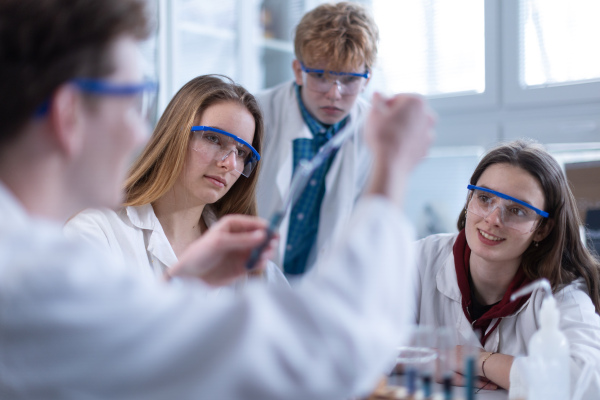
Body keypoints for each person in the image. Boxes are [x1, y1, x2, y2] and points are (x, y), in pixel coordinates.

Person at [0, 0, 435, 399]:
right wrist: (392, 163)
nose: (138, 132)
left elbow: (121, 354)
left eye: (242, 153)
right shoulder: (46, 269)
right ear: (68, 113)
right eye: (131, 102)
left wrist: (181, 283)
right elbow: (324, 351)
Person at [414, 140, 600, 399]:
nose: (493, 219)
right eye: (484, 198)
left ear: (542, 229)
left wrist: (480, 360)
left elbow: (589, 381)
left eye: (516, 210)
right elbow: (349, 339)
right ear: (470, 199)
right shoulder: (419, 259)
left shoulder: (562, 292)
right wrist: (423, 361)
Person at [64, 75, 287, 289]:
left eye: (241, 152)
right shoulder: (98, 231)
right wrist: (183, 279)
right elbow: (97, 326)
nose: (229, 163)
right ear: (174, 136)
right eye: (213, 138)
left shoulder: (245, 257)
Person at [256, 2, 378, 276]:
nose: (335, 94)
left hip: (320, 286)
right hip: (249, 278)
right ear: (299, 71)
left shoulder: (374, 133)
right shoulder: (256, 114)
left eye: (349, 79)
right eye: (321, 76)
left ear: (367, 78)